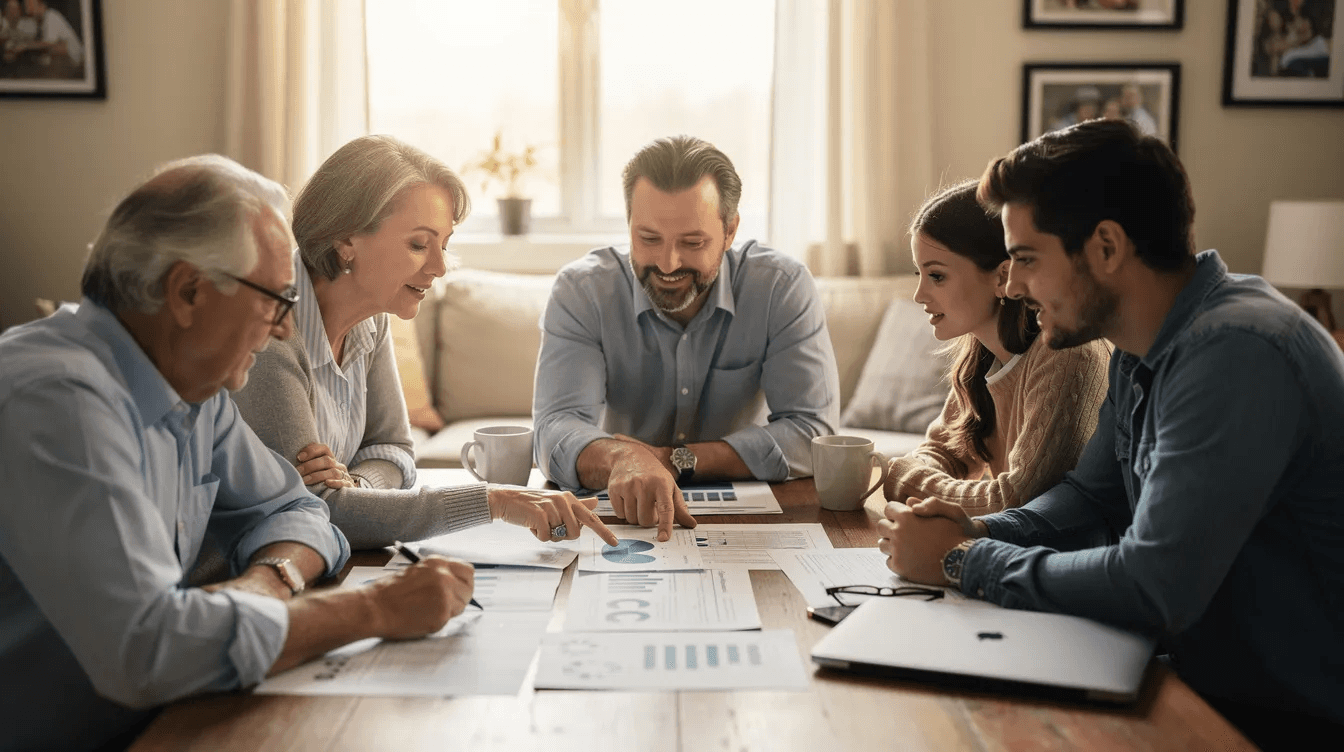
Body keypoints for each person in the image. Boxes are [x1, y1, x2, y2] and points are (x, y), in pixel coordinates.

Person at [877, 119, 1344, 749]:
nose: (1012, 286)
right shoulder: (1139, 344)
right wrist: (980, 529)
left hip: (1284, 719)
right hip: (1193, 679)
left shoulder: (1235, 352)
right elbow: (1087, 495)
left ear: (1105, 247)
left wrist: (965, 561)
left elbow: (1155, 584)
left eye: (1026, 260)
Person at [0, 155, 482, 752]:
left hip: (178, 712)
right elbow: (149, 650)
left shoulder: (195, 388)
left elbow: (301, 512)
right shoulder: (56, 399)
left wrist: (269, 579)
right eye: (276, 300)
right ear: (189, 292)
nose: (284, 329)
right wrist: (375, 610)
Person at [230, 134, 618, 552]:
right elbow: (316, 511)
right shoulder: (269, 331)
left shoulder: (372, 319)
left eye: (443, 245)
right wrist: (494, 500)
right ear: (345, 239)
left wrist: (359, 484)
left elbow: (395, 449)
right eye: (418, 244)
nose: (438, 267)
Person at [533, 135, 840, 541]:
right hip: (626, 518)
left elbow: (813, 431)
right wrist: (623, 458)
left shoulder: (780, 287)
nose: (668, 263)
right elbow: (555, 429)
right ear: (628, 226)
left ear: (730, 232)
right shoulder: (582, 290)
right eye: (648, 239)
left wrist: (673, 460)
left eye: (692, 243)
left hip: (748, 523)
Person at [883, 181, 1109, 515]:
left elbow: (1015, 502)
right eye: (919, 273)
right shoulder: (982, 354)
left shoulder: (1067, 356)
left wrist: (904, 476)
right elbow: (942, 452)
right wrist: (914, 473)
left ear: (1002, 277)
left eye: (937, 276)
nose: (919, 295)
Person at [18, 0, 82, 66]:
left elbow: (49, 44)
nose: (28, 10)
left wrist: (26, 46)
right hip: (61, 62)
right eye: (27, 7)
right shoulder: (38, 21)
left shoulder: (50, 16)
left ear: (41, 4)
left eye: (30, 6)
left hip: (74, 62)